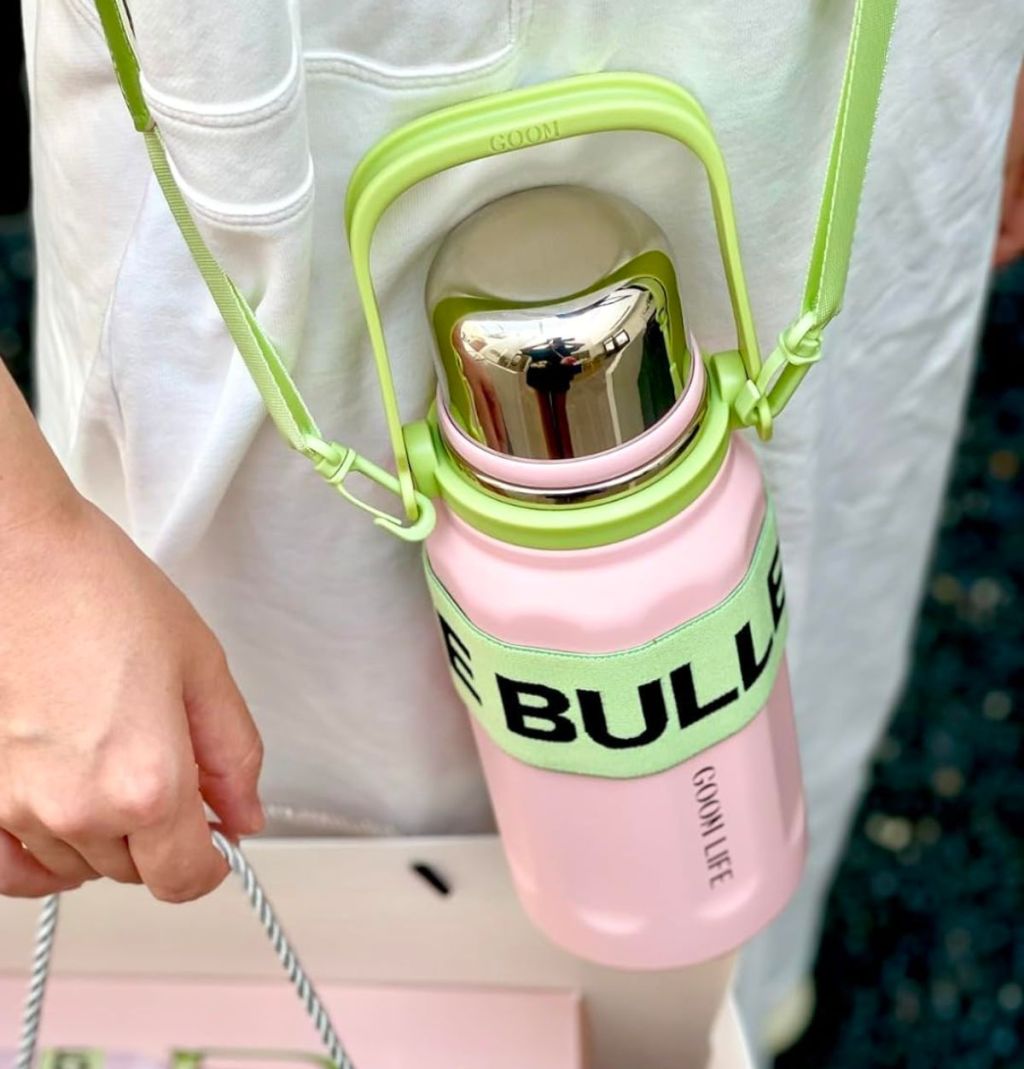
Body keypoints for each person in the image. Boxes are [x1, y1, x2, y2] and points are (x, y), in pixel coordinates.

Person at [6, 0, 1024, 1056]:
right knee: (302, 723)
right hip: (278, 107)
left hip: (836, 66)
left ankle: (730, 999)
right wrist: (22, 558)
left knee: (815, 592)